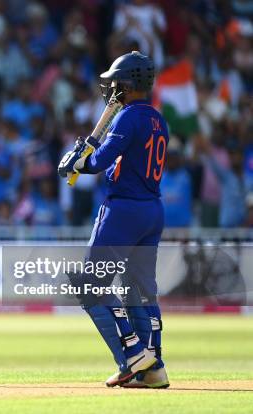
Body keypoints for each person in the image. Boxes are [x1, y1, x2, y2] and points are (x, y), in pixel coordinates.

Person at [58, 51, 169, 388]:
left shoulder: (128, 116)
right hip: (152, 209)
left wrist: (77, 162)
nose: (112, 89)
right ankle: (154, 368)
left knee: (88, 284)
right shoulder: (157, 118)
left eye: (117, 82)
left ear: (130, 82)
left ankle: (133, 354)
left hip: (124, 210)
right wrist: (83, 157)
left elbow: (101, 161)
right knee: (139, 291)